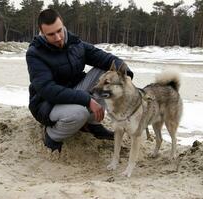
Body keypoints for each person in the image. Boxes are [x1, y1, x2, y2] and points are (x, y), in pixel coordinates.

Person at [26, 8, 133, 153]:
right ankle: (52, 135)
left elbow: (106, 59)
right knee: (79, 113)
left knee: (109, 73)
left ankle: (92, 124)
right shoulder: (35, 54)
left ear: (63, 25)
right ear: (41, 32)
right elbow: (47, 90)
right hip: (48, 104)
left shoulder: (75, 43)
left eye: (59, 31)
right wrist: (87, 100)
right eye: (51, 34)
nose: (58, 37)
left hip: (74, 91)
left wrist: (126, 75)